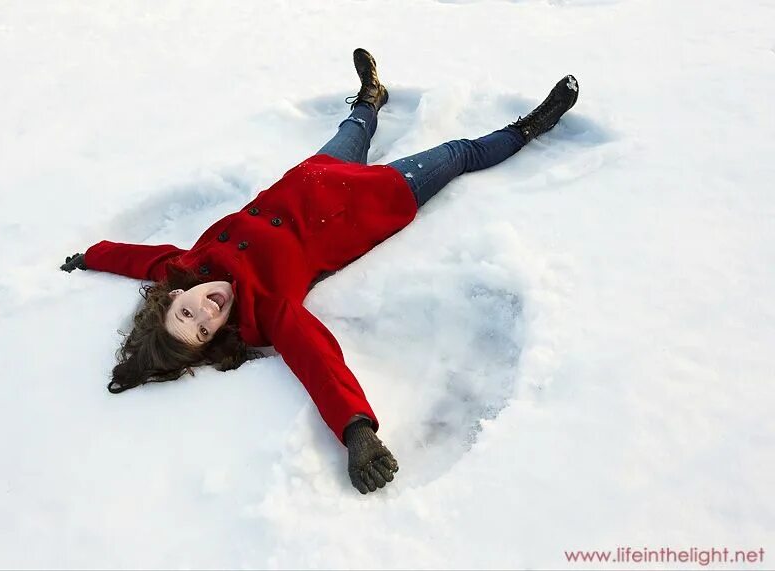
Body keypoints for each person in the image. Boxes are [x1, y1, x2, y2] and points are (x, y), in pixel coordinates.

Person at [60, 49, 579, 495]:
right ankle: (531, 126)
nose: (206, 312)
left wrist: (90, 255)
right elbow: (317, 361)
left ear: (172, 296)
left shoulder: (182, 267)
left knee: (353, 127)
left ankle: (372, 97)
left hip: (314, 173)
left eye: (187, 311)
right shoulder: (269, 312)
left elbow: (133, 258)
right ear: (216, 337)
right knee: (459, 154)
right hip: (370, 201)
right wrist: (357, 431)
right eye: (203, 330)